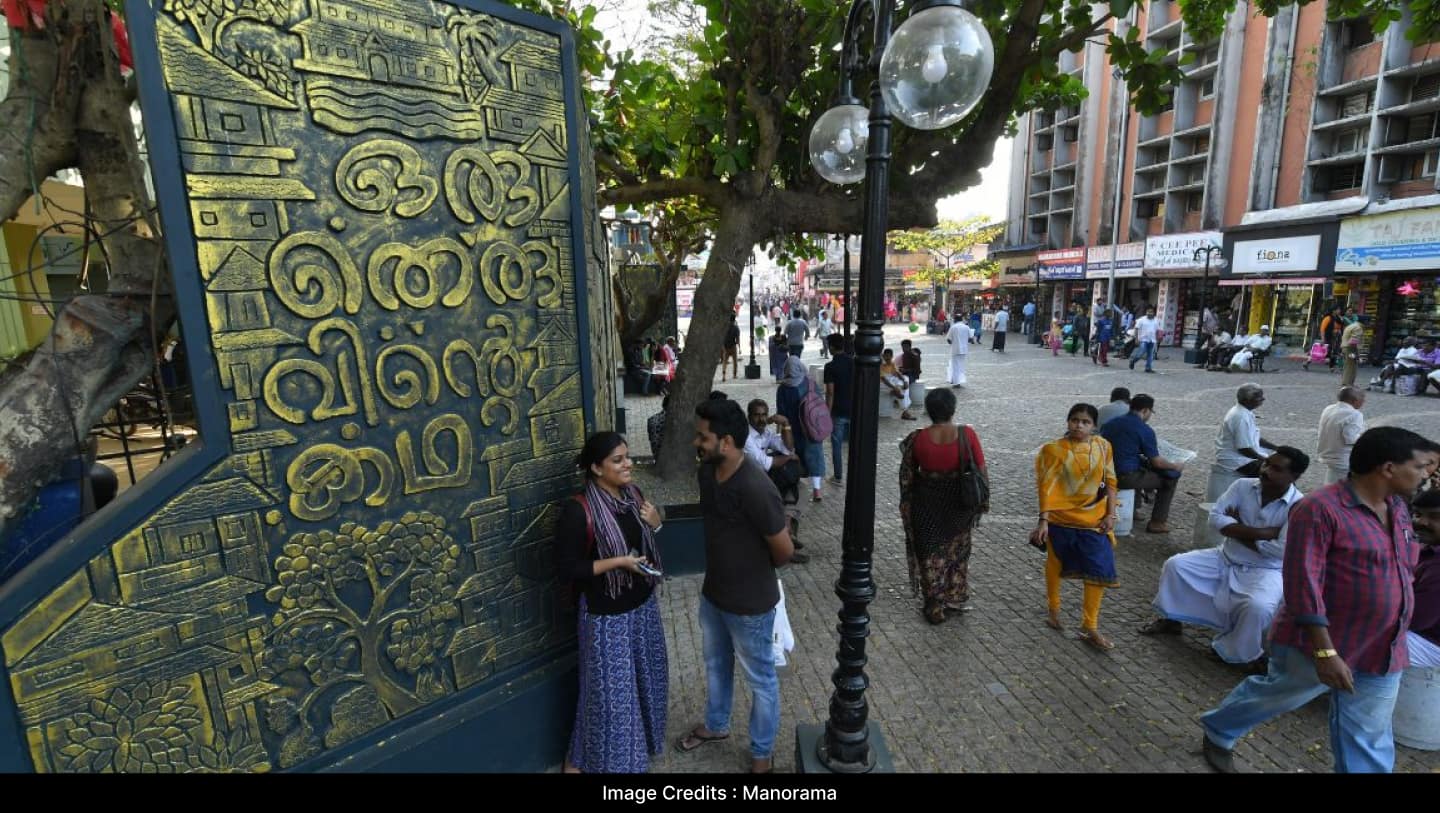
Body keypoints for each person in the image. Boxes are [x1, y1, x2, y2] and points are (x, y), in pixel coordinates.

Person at [1200, 427, 1432, 774]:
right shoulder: (1319, 509)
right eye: (1422, 466)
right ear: (1388, 468)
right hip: (1318, 644)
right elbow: (1302, 583)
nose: (1428, 475)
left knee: (1368, 734)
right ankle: (1219, 728)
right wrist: (1326, 653)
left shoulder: (1398, 508)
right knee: (1278, 693)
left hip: (1385, 646)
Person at [675, 399, 793, 774]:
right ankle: (716, 725)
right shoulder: (707, 473)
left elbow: (784, 552)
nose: (697, 442)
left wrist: (748, 572)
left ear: (726, 442)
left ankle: (762, 756)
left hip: (751, 607)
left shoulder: (756, 487)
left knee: (760, 681)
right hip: (714, 597)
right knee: (715, 665)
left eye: (703, 436)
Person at [556, 432, 667, 773]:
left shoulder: (633, 495)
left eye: (627, 456)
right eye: (618, 460)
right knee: (611, 701)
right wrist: (618, 563)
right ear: (596, 468)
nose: (628, 463)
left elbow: (647, 540)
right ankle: (609, 765)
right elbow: (568, 568)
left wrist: (657, 522)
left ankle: (580, 759)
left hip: (643, 607)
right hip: (606, 618)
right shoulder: (579, 510)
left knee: (648, 681)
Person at [1140, 449, 1309, 672]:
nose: (1265, 470)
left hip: (1266, 569)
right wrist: (1264, 532)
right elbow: (1216, 519)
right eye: (1266, 463)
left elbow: (1281, 551)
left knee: (1258, 606)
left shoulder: (1300, 506)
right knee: (1176, 565)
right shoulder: (1243, 486)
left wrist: (1237, 529)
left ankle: (1234, 652)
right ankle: (1171, 620)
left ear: (1294, 476)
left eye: (1276, 468)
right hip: (1225, 555)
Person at [1032, 403, 1120, 651]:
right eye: (1075, 420)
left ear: (1094, 426)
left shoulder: (1103, 447)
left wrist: (1111, 514)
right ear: (1068, 422)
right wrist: (1044, 521)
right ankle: (1054, 610)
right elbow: (1045, 486)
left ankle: (1089, 625)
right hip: (1060, 521)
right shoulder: (1054, 450)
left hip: (1094, 522)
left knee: (1099, 570)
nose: (1079, 425)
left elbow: (1111, 482)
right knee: (1055, 564)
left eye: (1085, 422)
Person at [899, 388, 989, 625]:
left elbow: (907, 475)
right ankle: (953, 595)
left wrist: (907, 505)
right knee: (957, 551)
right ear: (953, 409)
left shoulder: (916, 438)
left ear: (928, 411)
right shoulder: (966, 434)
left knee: (929, 553)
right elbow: (981, 469)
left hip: (926, 503)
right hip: (959, 503)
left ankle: (934, 603)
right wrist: (982, 502)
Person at [1101, 394, 1184, 534]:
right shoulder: (1144, 429)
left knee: (1139, 466)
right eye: (1150, 412)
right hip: (1124, 477)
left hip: (1104, 473)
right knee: (1170, 477)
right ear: (1145, 410)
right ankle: (1158, 522)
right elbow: (1157, 462)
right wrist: (1175, 465)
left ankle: (1133, 509)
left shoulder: (1110, 423)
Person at [1210, 384, 1279, 500]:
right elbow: (1244, 449)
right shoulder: (1240, 416)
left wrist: (1277, 448)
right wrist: (1266, 460)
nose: (1263, 399)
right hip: (1236, 459)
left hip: (1242, 455)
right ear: (1247, 399)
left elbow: (1254, 438)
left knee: (1279, 464)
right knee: (1276, 474)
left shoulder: (1245, 412)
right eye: (1259, 397)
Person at [776, 356, 826, 501]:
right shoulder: (810, 383)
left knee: (795, 455)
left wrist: (780, 433)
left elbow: (781, 412)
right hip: (812, 428)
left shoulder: (783, 388)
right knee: (815, 456)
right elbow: (819, 403)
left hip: (793, 430)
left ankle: (796, 484)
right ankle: (817, 490)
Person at [1405, 489, 1440, 668]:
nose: (1421, 522)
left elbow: (1416, 619)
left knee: (1362, 640)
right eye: (1417, 514)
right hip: (1422, 629)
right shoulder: (1427, 548)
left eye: (1434, 517)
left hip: (1431, 642)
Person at [1317, 386, 1366, 484]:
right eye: (1363, 399)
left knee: (1332, 480)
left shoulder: (1329, 408)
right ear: (1355, 400)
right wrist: (1364, 437)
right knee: (1337, 486)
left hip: (1327, 452)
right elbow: (1350, 438)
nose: (1364, 402)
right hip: (1342, 458)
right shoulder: (1354, 414)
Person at [823, 333, 854, 485]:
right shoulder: (853, 362)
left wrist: (827, 413)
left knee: (836, 444)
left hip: (838, 410)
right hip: (854, 409)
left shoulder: (830, 367)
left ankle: (838, 476)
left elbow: (830, 392)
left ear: (832, 347)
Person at [881, 348, 915, 421]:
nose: (887, 358)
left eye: (889, 356)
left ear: (892, 356)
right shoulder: (881, 364)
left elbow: (897, 373)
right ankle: (905, 412)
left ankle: (897, 392)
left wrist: (904, 381)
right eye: (886, 356)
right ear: (883, 356)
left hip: (891, 379)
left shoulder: (891, 363)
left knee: (905, 380)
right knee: (900, 391)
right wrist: (894, 388)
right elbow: (883, 379)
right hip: (882, 383)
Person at [1128, 306, 1160, 373]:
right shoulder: (1141, 320)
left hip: (1152, 339)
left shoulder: (1156, 320)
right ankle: (1133, 361)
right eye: (1148, 312)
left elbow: (1157, 330)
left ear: (1153, 313)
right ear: (1146, 312)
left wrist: (1157, 339)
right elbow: (1136, 329)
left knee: (1150, 355)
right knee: (1141, 353)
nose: (1149, 313)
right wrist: (1136, 339)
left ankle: (1148, 368)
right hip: (1143, 339)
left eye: (1151, 312)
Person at [945, 313, 972, 387]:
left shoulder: (953, 327)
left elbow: (948, 339)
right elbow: (970, 339)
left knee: (955, 366)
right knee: (961, 366)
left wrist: (953, 343)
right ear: (961, 319)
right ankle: (958, 380)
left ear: (955, 320)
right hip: (964, 350)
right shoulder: (966, 327)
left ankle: (956, 382)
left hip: (955, 349)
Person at [1340, 311, 1364, 388]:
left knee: (1347, 365)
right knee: (1351, 366)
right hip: (1350, 349)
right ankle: (1348, 383)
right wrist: (1356, 354)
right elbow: (1353, 341)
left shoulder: (1351, 325)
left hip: (1345, 347)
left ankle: (1345, 382)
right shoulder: (1358, 328)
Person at [722, 313, 741, 382]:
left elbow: (722, 337)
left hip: (725, 346)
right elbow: (738, 339)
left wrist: (722, 346)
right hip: (733, 346)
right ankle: (734, 374)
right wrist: (739, 347)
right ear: (734, 319)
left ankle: (724, 375)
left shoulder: (724, 327)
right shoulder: (736, 328)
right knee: (735, 361)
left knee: (724, 362)